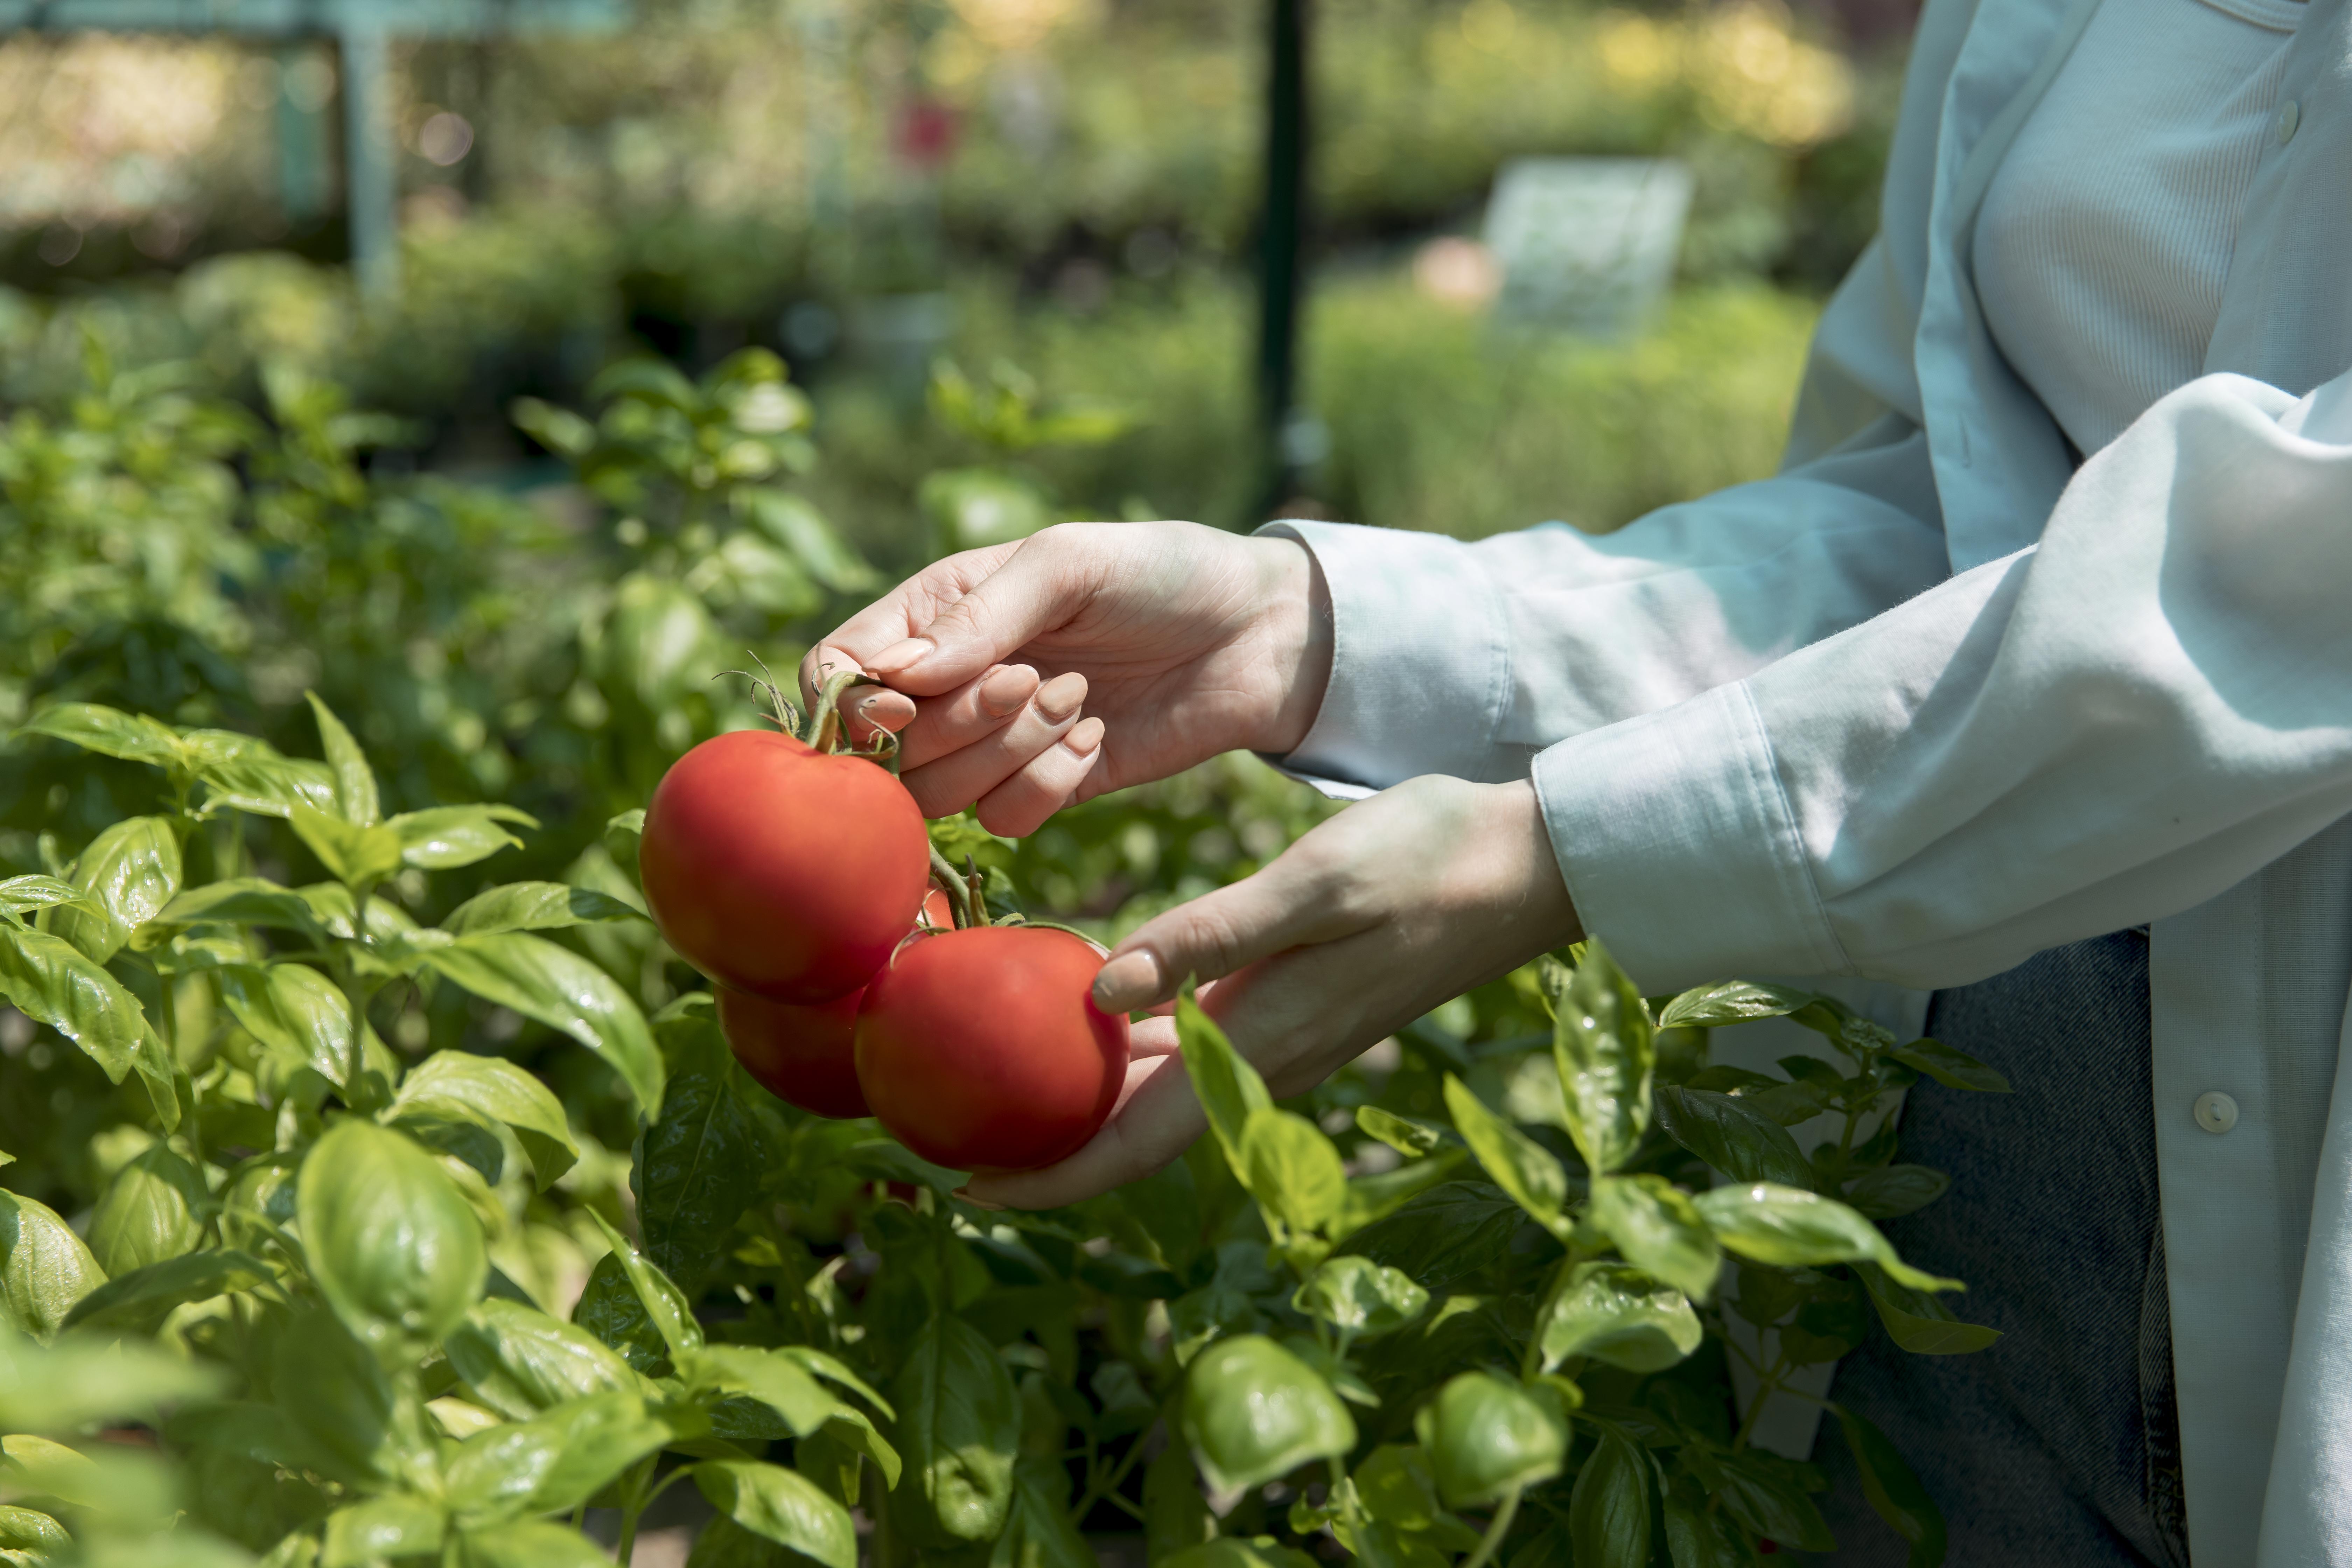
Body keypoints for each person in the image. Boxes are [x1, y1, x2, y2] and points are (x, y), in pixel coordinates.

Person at [810, 0, 2352, 1553]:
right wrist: (1308, 628)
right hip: (1957, 1152)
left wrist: (1570, 854)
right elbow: (1949, 517)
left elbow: (2306, 575)